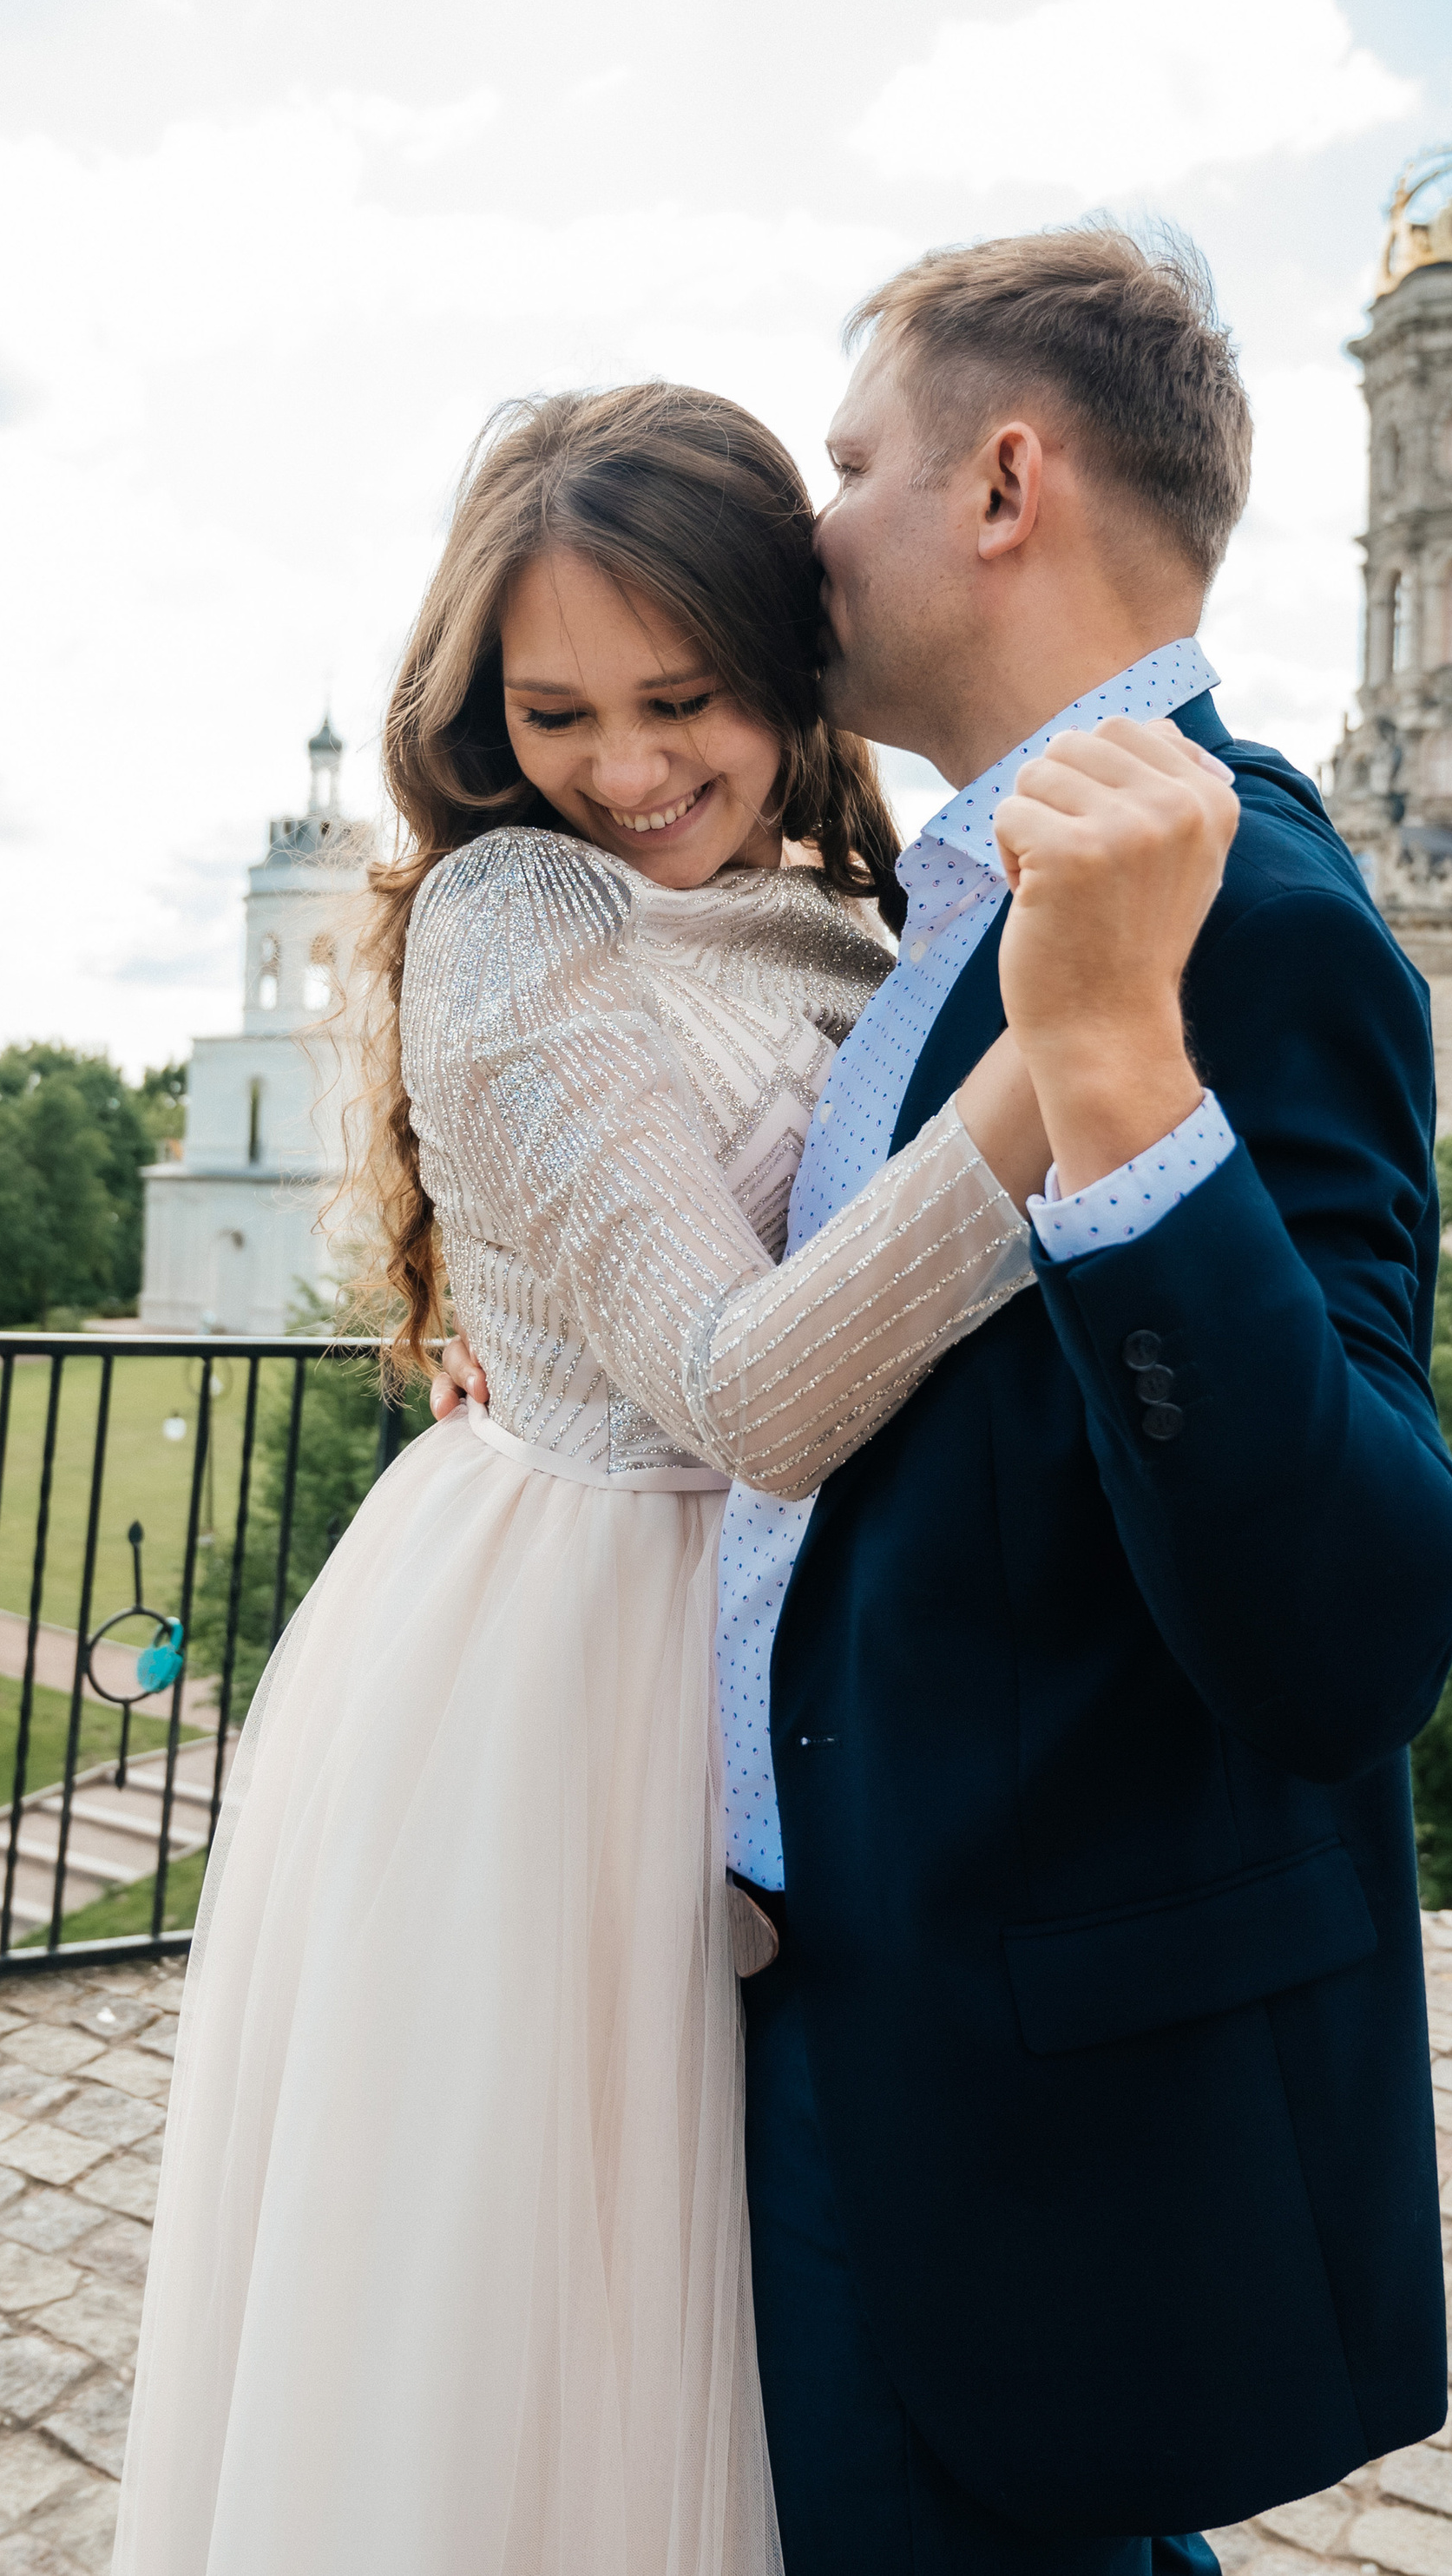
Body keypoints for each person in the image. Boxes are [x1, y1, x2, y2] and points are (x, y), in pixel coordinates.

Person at [111, 378, 1237, 2576]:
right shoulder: (518, 908)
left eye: (680, 698)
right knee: (544, 2329)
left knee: (750, 2323)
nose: (623, 773)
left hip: (775, 1669)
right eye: (553, 711)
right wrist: (1067, 1049)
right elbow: (740, 1389)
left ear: (783, 655)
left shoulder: (844, 904)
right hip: (557, 1676)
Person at [437, 224, 1452, 2573]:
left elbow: (1355, 1628)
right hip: (826, 1981)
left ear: (1003, 482)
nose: (812, 527)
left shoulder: (1253, 916)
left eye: (853, 460)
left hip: (1013, 2075)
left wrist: (1113, 1076)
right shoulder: (916, 894)